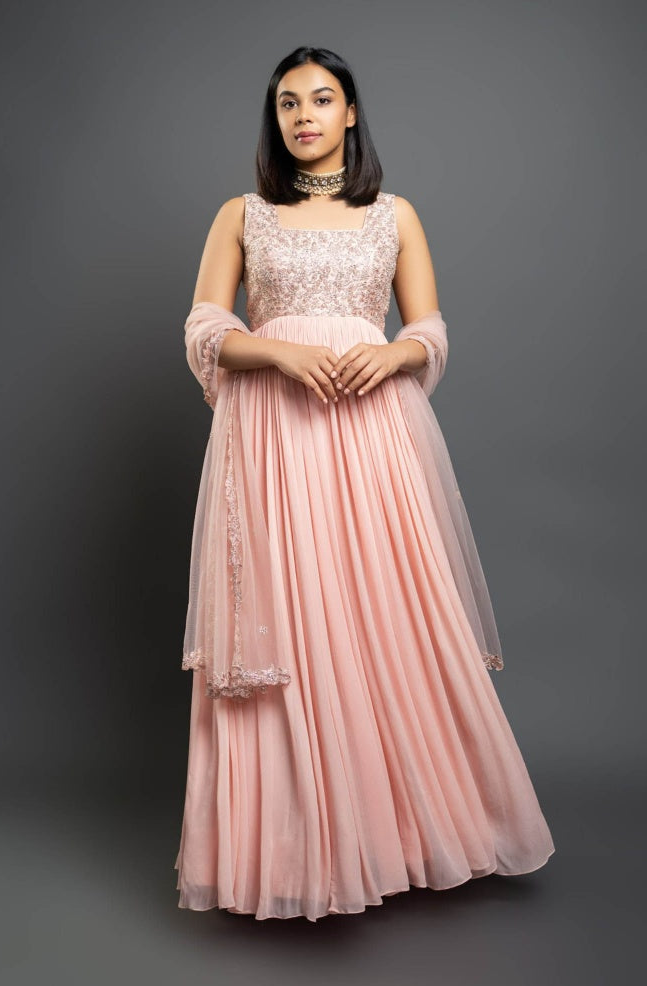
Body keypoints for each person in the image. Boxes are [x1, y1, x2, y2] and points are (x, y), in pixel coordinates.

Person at [176, 46, 555, 922]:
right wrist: (278, 351)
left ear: (350, 112)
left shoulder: (395, 215)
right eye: (287, 103)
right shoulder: (241, 215)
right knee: (288, 621)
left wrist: (393, 354)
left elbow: (430, 330)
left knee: (381, 615)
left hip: (372, 435)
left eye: (321, 99)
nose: (304, 115)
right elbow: (202, 327)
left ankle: (400, 844)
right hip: (273, 436)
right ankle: (289, 857)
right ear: (275, 120)